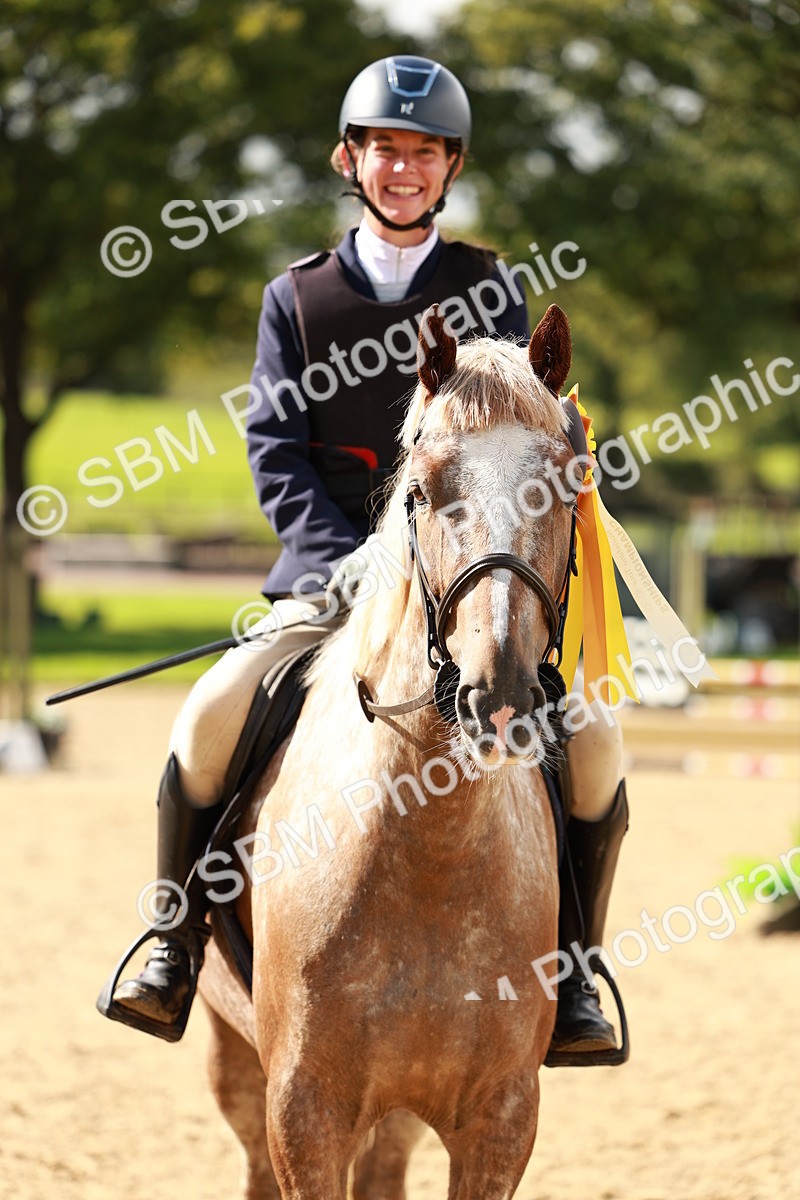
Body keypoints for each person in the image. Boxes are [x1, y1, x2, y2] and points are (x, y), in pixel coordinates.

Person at [100, 55, 628, 1064]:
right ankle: (170, 949)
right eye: (385, 149)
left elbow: (509, 446)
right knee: (209, 714)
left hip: (467, 579)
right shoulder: (295, 299)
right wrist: (338, 558)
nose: (403, 169)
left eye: (423, 154)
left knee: (592, 747)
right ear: (350, 159)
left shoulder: (490, 288)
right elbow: (274, 448)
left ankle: (573, 977)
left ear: (448, 169)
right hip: (326, 576)